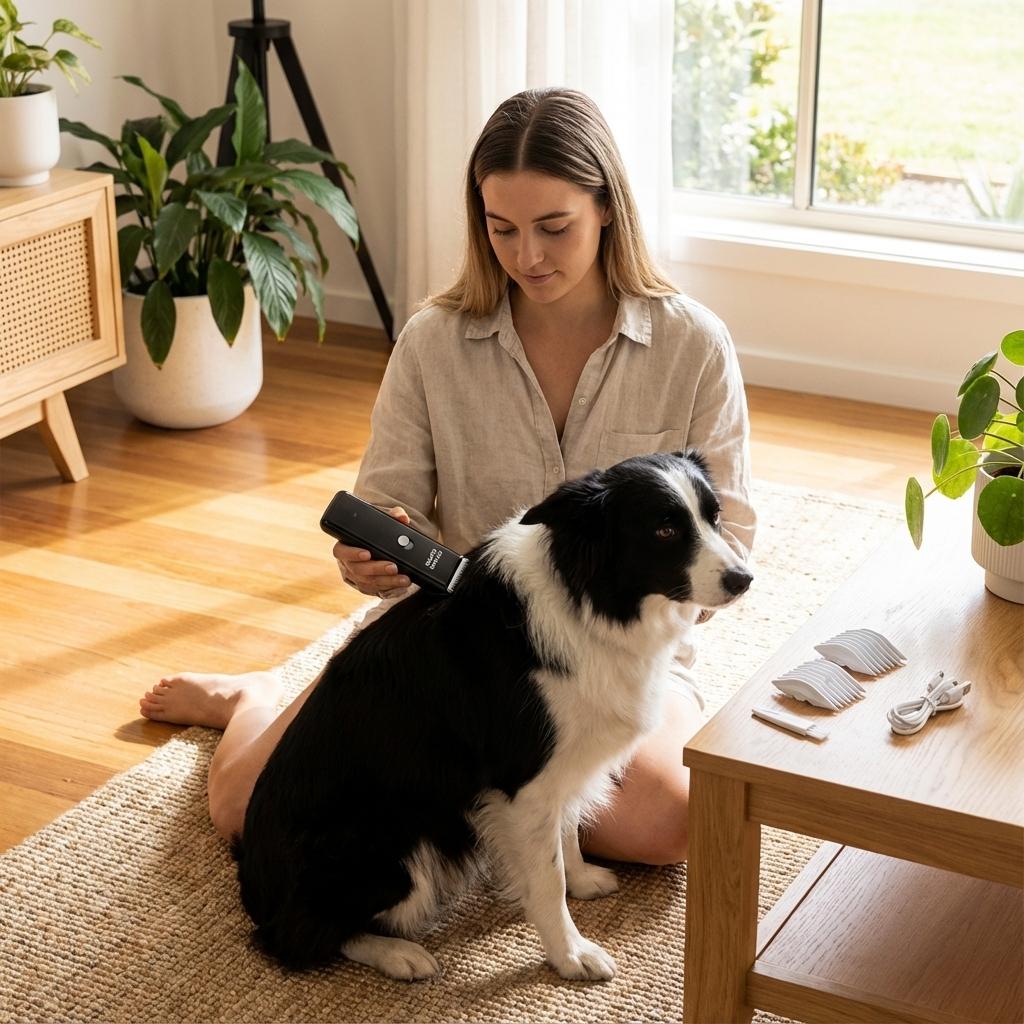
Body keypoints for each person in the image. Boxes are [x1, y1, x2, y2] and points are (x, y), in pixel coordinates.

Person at [139, 87, 755, 868]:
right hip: (452, 653)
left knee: (669, 828)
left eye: (554, 228)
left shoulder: (692, 343)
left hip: (621, 663)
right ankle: (252, 700)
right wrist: (376, 549)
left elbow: (732, 528)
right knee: (246, 813)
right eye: (502, 229)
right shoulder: (434, 340)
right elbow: (387, 498)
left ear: (606, 207)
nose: (528, 256)